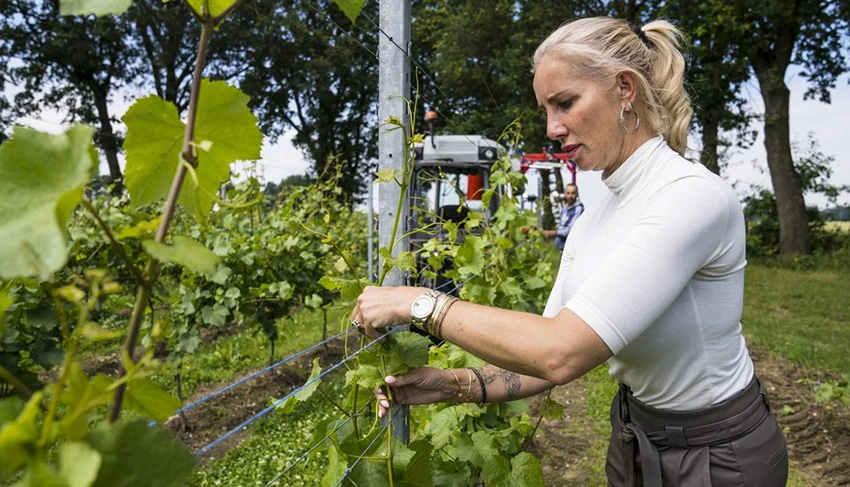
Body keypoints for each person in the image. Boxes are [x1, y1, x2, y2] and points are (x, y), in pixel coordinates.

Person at [351, 17, 787, 487]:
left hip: (716, 455)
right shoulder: (597, 214)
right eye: (545, 109)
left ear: (624, 89)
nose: (552, 128)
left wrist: (420, 303)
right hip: (636, 436)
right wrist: (453, 384)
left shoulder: (689, 197)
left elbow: (561, 352)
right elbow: (543, 360)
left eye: (565, 103)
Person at [541, 183, 584, 250]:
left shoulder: (578, 209)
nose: (570, 196)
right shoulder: (564, 208)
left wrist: (550, 233)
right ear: (564, 193)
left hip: (571, 248)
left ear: (577, 194)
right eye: (568, 193)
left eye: (573, 193)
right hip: (562, 247)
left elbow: (570, 231)